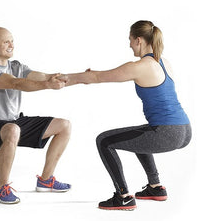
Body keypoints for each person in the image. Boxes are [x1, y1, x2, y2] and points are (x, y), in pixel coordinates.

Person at [64, 20, 192, 210]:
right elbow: (99, 76)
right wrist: (93, 76)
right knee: (139, 135)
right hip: (184, 129)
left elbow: (98, 77)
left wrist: (67, 79)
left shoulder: (141, 66)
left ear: (139, 40)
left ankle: (123, 196)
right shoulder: (164, 62)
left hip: (167, 132)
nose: (129, 44)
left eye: (130, 40)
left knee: (104, 141)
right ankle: (155, 187)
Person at [0, 27, 72, 204]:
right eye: (6, 41)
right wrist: (47, 85)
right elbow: (15, 83)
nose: (11, 45)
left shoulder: (17, 66)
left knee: (64, 126)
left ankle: (46, 180)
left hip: (14, 122)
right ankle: (2, 188)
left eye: (12, 40)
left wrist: (79, 77)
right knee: (13, 129)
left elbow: (44, 76)